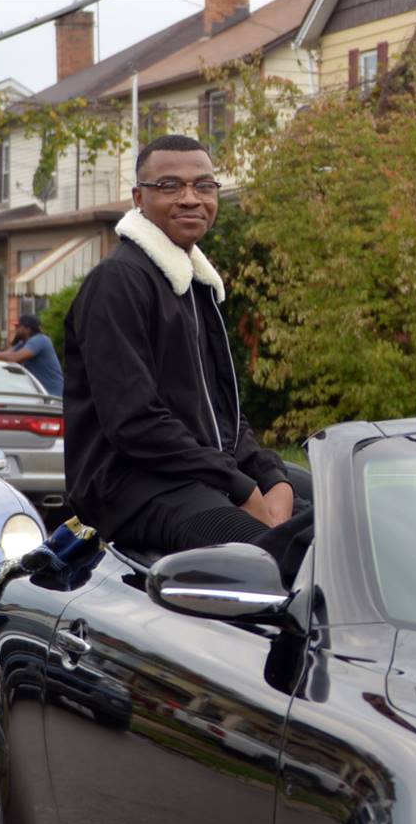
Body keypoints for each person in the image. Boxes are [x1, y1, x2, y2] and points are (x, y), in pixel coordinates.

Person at [62, 133, 306, 567]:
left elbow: (226, 418)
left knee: (353, 520)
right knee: (282, 556)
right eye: (170, 186)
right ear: (139, 197)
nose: (191, 199)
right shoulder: (118, 283)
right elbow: (135, 423)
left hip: (203, 474)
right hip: (135, 486)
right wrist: (243, 490)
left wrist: (272, 479)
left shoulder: (196, 285)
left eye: (204, 186)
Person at [0, 313, 63, 397]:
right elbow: (7, 355)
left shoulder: (40, 340)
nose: (15, 329)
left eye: (18, 326)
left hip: (54, 394)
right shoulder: (23, 342)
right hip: (41, 393)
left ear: (28, 329)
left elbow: (15, 358)